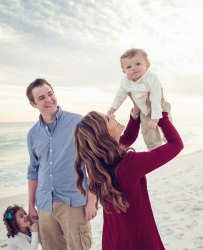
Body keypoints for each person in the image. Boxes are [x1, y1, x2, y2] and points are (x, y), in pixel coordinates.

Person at [74, 102, 184, 249]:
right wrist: (160, 115)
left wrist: (135, 112)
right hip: (138, 240)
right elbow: (176, 144)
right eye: (107, 119)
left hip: (113, 240)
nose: (111, 116)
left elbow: (128, 137)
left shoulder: (96, 165)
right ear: (104, 135)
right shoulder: (129, 164)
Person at [26, 78, 96, 250]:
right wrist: (31, 206)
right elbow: (33, 170)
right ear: (33, 104)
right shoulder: (33, 134)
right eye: (41, 97)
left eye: (50, 94)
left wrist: (92, 200)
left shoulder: (78, 123)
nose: (48, 100)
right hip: (44, 205)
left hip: (73, 201)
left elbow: (93, 163)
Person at [108, 48, 172, 150]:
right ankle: (154, 148)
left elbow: (155, 98)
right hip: (143, 109)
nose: (133, 68)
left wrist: (155, 119)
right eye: (128, 67)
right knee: (147, 130)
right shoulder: (125, 82)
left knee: (165, 121)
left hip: (158, 104)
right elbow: (120, 95)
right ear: (124, 71)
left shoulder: (152, 79)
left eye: (138, 64)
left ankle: (167, 137)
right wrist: (113, 108)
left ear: (147, 65)